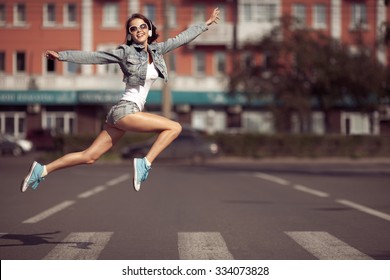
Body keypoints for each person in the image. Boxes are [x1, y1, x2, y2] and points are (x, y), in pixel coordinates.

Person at [21, 8, 220, 192]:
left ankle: (42, 170)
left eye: (143, 26)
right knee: (174, 127)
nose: (139, 30)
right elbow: (95, 56)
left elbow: (182, 38)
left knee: (89, 157)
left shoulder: (158, 50)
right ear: (130, 35)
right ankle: (145, 163)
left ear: (149, 30)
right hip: (126, 110)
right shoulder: (126, 52)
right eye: (134, 28)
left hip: (121, 114)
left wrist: (206, 23)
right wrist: (62, 56)